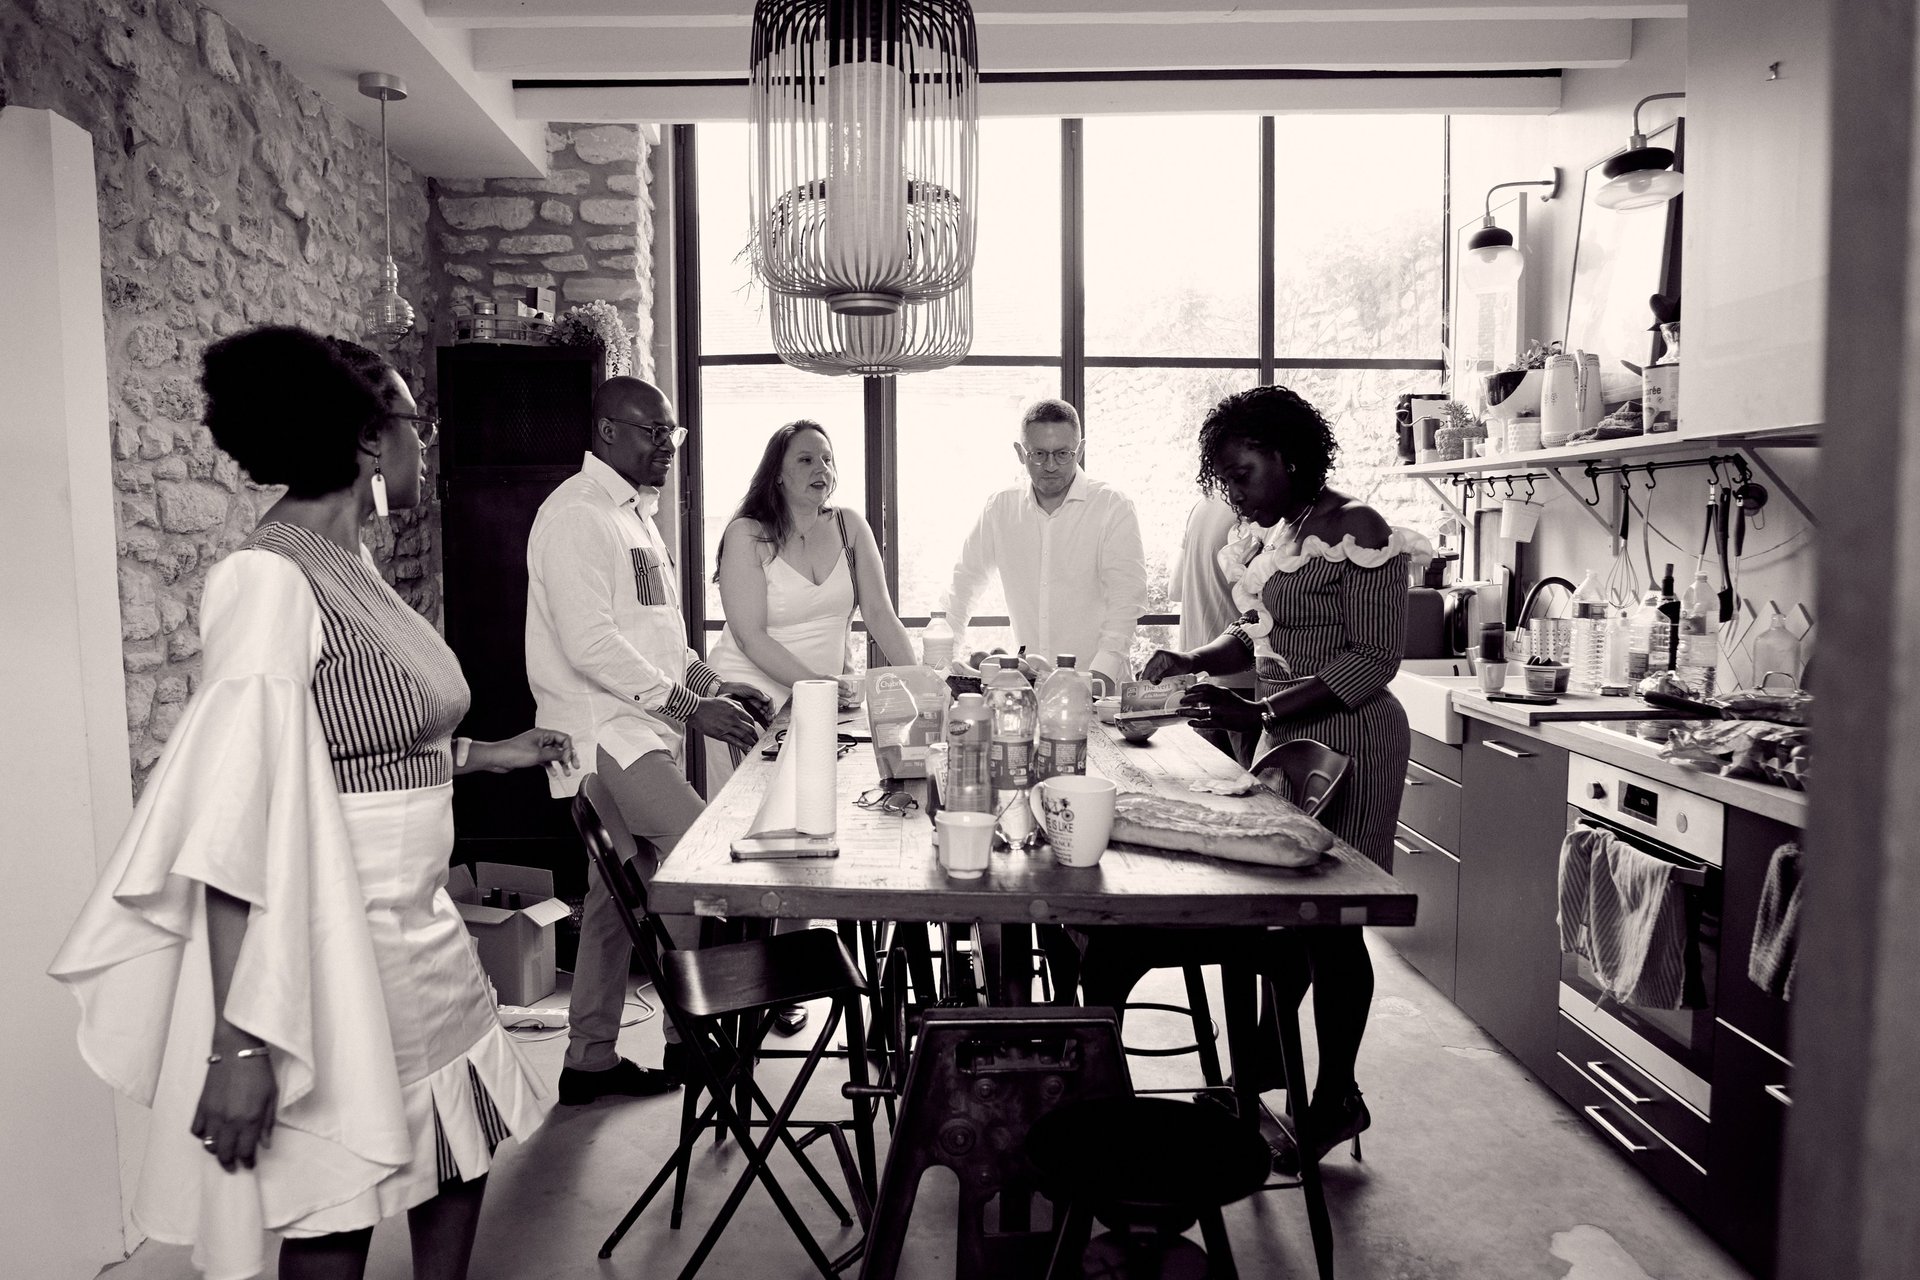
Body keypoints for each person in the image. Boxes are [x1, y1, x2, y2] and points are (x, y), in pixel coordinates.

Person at [52, 326, 578, 1280]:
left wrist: (491, 753)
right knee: (335, 1196)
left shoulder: (354, 564)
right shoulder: (267, 578)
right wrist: (237, 1044)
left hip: (424, 925)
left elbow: (363, 739)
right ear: (371, 439)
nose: (428, 441)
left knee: (458, 1142)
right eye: (418, 423)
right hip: (340, 941)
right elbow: (232, 819)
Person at [1089, 384, 1411, 1175]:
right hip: (1290, 732)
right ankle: (1262, 1072)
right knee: (1286, 911)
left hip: (1352, 738)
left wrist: (1261, 705)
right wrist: (1195, 659)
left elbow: (1374, 658)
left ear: (1289, 456)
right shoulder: (1280, 533)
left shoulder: (1359, 529)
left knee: (1333, 924)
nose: (1234, 493)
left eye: (1244, 473)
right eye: (1225, 478)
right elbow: (1258, 630)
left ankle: (1335, 1097)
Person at [526, 376, 774, 1101]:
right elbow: (591, 645)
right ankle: (689, 1043)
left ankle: (587, 1060)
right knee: (699, 860)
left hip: (639, 725)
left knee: (614, 897)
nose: (667, 445)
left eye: (673, 433)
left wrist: (714, 685)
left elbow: (661, 639)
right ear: (607, 430)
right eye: (652, 432)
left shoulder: (634, 515)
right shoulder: (577, 516)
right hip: (602, 732)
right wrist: (692, 709)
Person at [706, 419, 918, 721]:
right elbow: (749, 637)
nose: (821, 468)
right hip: (750, 699)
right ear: (777, 474)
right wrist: (815, 683)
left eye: (827, 459)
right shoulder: (746, 533)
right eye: (806, 460)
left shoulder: (850, 526)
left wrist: (919, 685)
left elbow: (880, 614)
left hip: (822, 695)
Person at [942, 398, 1148, 689]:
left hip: (1098, 686)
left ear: (1080, 451)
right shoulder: (1000, 508)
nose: (1050, 466)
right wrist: (944, 662)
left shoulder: (1113, 506)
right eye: (1038, 454)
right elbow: (963, 585)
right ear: (1020, 453)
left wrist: (1102, 674)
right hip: (1029, 687)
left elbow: (1126, 601)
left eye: (1063, 454)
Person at [1171, 493, 1259, 766]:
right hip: (1243, 683)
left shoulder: (1200, 507)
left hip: (1197, 679)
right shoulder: (1257, 508)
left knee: (1211, 781)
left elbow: (1174, 589)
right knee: (1254, 783)